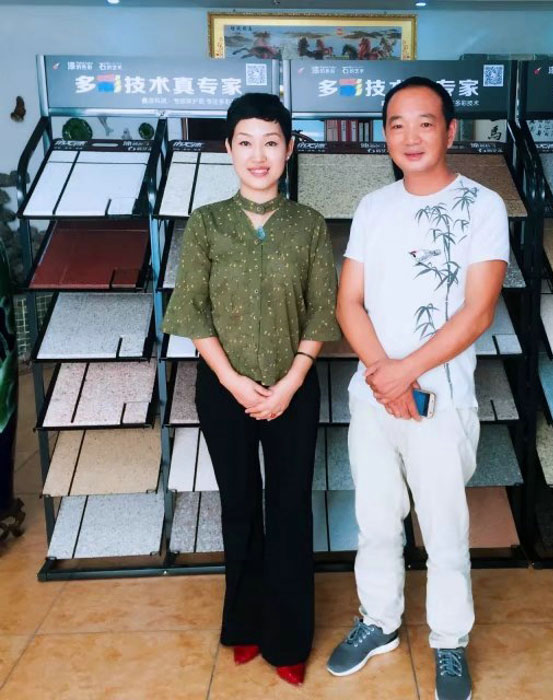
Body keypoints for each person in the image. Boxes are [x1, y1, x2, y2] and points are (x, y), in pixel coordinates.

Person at [327, 77, 509, 700]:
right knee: (376, 520)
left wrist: (405, 372)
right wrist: (385, 373)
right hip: (374, 397)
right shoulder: (373, 207)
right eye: (396, 124)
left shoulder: (482, 205)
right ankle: (379, 621)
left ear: (450, 131)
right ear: (384, 134)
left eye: (424, 123)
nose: (410, 136)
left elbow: (478, 313)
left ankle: (449, 642)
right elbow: (348, 303)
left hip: (442, 401)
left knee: (444, 529)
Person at [163, 92, 340, 686]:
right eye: (245, 142)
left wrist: (290, 381)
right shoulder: (207, 222)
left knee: (289, 509)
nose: (258, 155)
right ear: (228, 149)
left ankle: (288, 638)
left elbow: (321, 310)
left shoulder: (308, 224)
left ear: (289, 149)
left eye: (270, 142)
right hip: (224, 390)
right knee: (239, 507)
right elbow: (191, 310)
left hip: (294, 388)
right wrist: (234, 381)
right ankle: (243, 624)